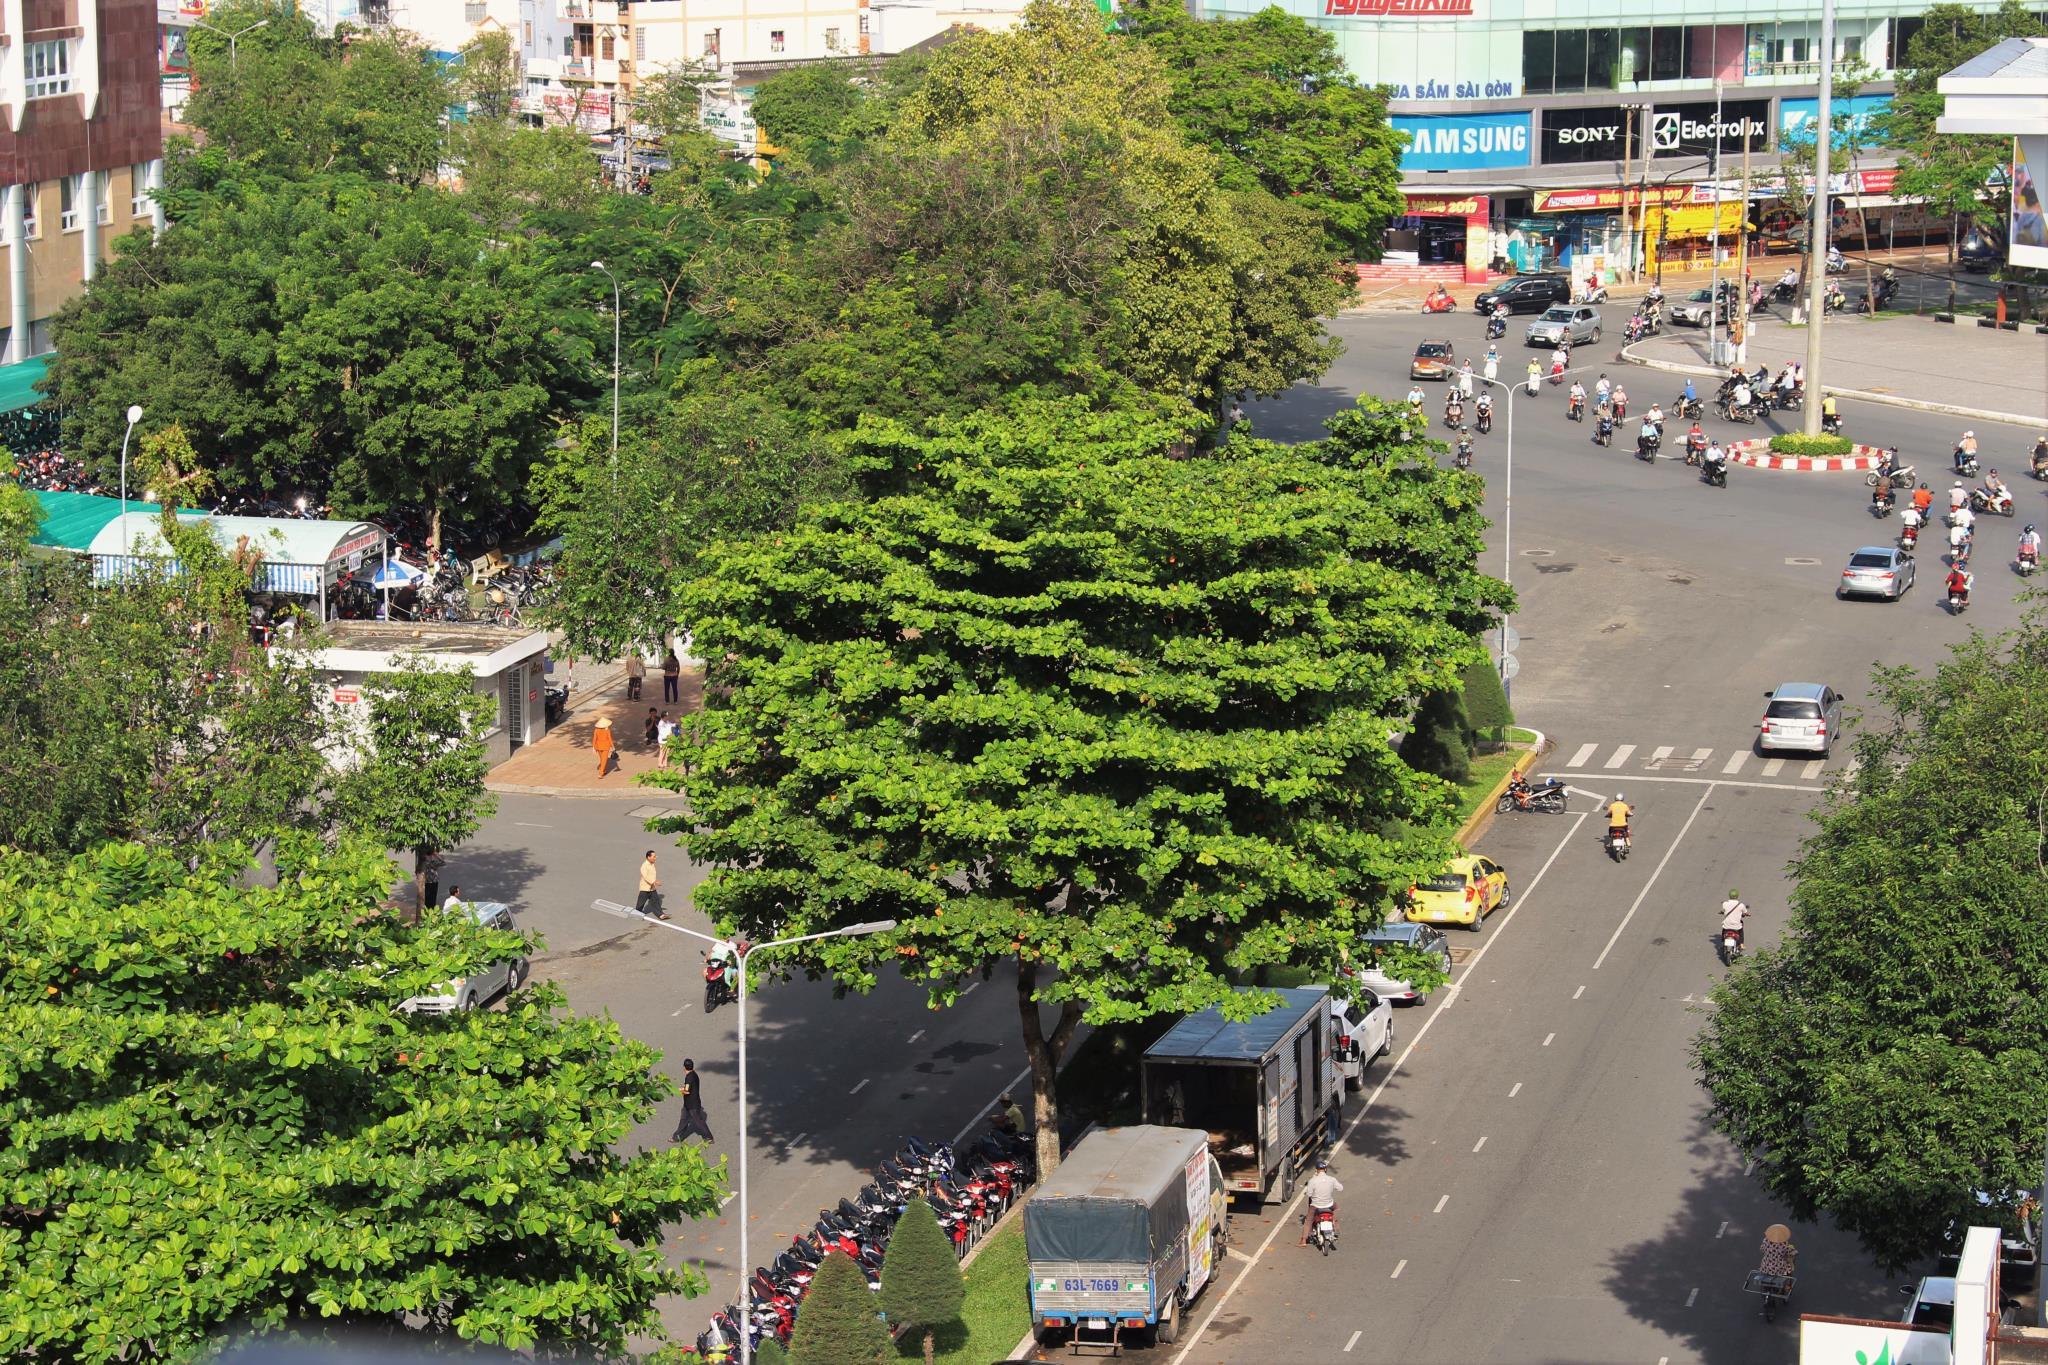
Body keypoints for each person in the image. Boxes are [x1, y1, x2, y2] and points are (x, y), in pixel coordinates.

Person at [1300, 1158, 1343, 1243]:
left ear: (1316, 1170)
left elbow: (1309, 1194)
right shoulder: (1332, 1179)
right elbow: (1341, 1188)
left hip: (1316, 1205)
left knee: (1308, 1220)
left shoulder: (1312, 1181)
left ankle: (1304, 1240)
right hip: (1329, 1204)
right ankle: (1336, 1225)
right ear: (1325, 1169)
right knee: (1337, 1208)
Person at [673, 1058, 714, 1144]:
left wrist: (677, 1091)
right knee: (683, 1120)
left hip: (692, 1105)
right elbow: (689, 1088)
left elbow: (687, 1091)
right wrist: (681, 1088)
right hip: (689, 1104)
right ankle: (676, 1137)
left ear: (684, 1067)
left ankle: (709, 1137)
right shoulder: (694, 1074)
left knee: (698, 1121)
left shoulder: (688, 1078)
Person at [635, 849, 667, 919]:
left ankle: (661, 915)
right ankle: (636, 915)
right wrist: (654, 882)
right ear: (648, 857)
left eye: (655, 856)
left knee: (656, 901)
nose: (655, 858)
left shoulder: (652, 864)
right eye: (654, 856)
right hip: (645, 888)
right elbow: (645, 876)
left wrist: (654, 883)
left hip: (652, 888)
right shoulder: (644, 866)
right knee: (640, 904)